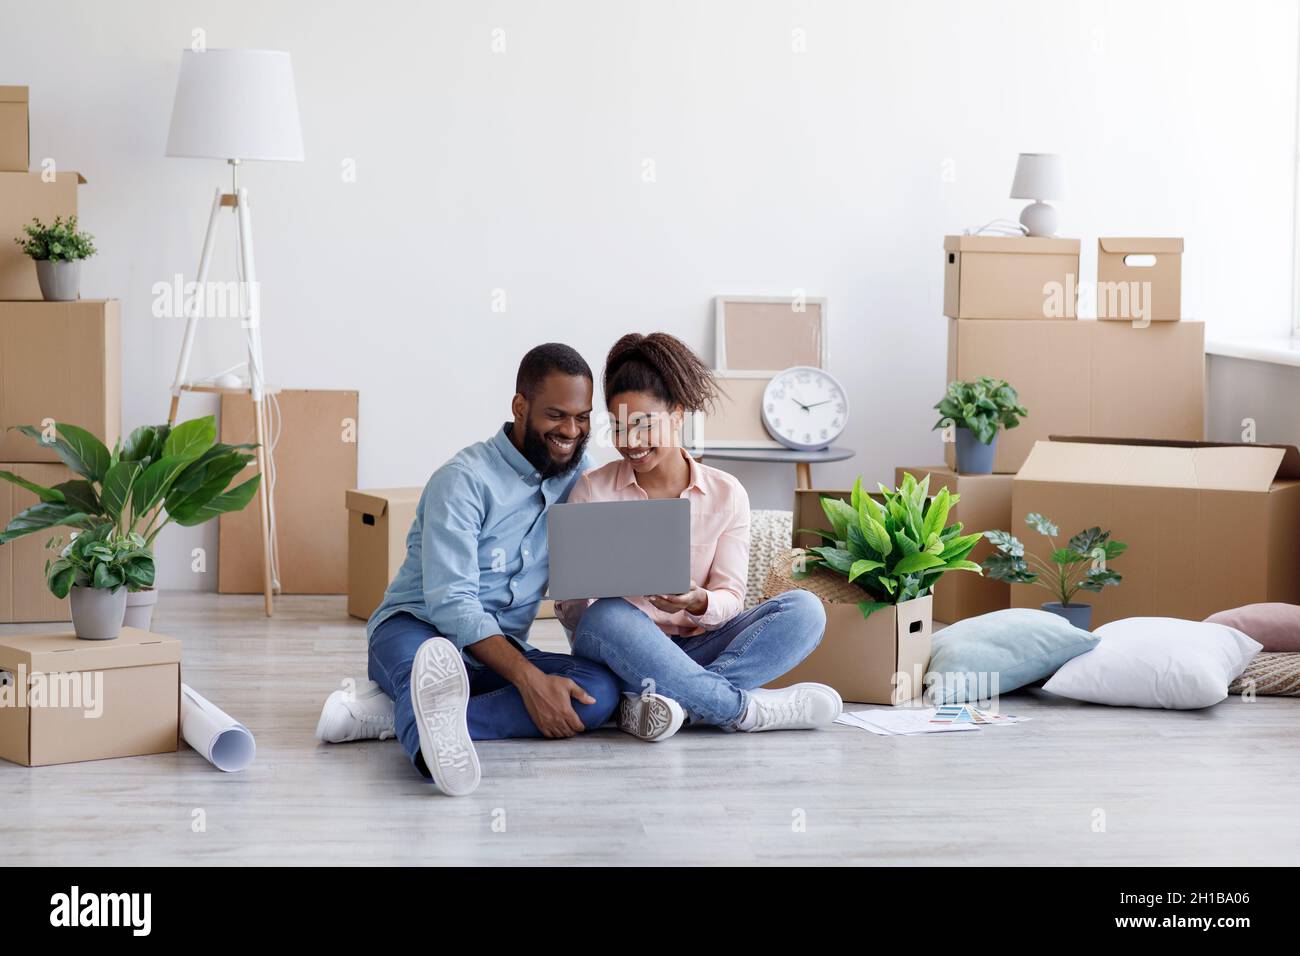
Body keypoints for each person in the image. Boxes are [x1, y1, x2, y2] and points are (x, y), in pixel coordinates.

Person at [316, 343, 621, 797]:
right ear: (520, 406)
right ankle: (427, 736)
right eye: (557, 415)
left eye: (582, 418)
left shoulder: (579, 478)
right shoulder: (462, 480)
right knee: (427, 665)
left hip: (498, 649)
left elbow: (597, 568)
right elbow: (452, 604)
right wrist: (530, 681)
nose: (571, 431)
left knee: (598, 693)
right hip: (417, 628)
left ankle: (403, 715)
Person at [555, 332, 841, 742]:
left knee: (805, 609)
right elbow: (579, 621)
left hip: (702, 646)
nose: (629, 442)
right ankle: (742, 709)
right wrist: (578, 594)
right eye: (618, 427)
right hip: (625, 655)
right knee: (608, 616)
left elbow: (730, 597)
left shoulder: (726, 493)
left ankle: (671, 705)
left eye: (643, 425)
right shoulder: (592, 490)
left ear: (677, 414)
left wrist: (697, 600)